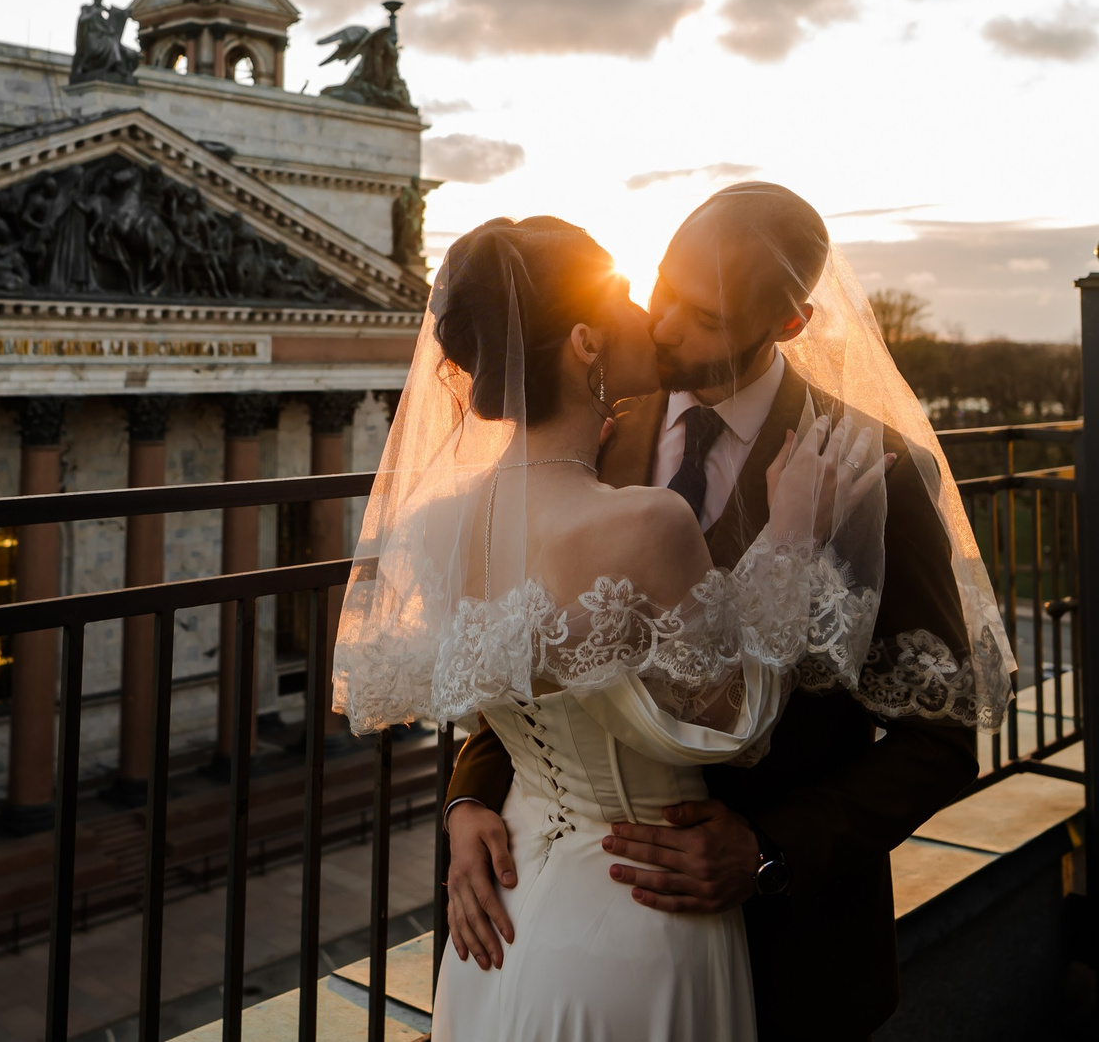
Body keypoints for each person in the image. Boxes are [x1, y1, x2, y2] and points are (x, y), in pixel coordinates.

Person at [437, 184, 1013, 1041]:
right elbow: (541, 646)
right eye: (661, 286)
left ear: (786, 325)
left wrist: (770, 851)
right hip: (573, 927)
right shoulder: (589, 429)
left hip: (790, 949)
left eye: (701, 315)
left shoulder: (870, 469)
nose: (663, 324)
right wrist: (470, 801)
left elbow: (942, 738)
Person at [333, 215, 892, 1040]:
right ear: (586, 342)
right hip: (633, 923)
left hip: (500, 939)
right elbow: (738, 723)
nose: (654, 319)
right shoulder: (646, 522)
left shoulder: (436, 523)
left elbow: (516, 675)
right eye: (635, 293)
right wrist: (790, 540)